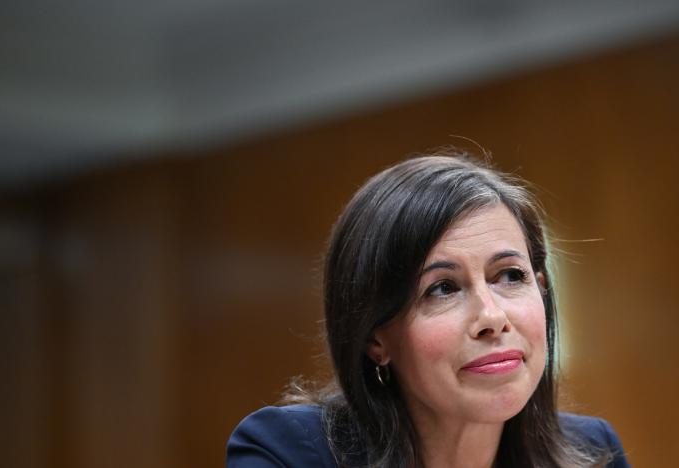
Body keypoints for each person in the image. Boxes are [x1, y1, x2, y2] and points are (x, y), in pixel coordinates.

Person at [227, 153, 629, 467]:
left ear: (541, 288)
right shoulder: (288, 452)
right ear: (374, 336)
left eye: (510, 276)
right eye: (442, 288)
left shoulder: (593, 450)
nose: (491, 317)